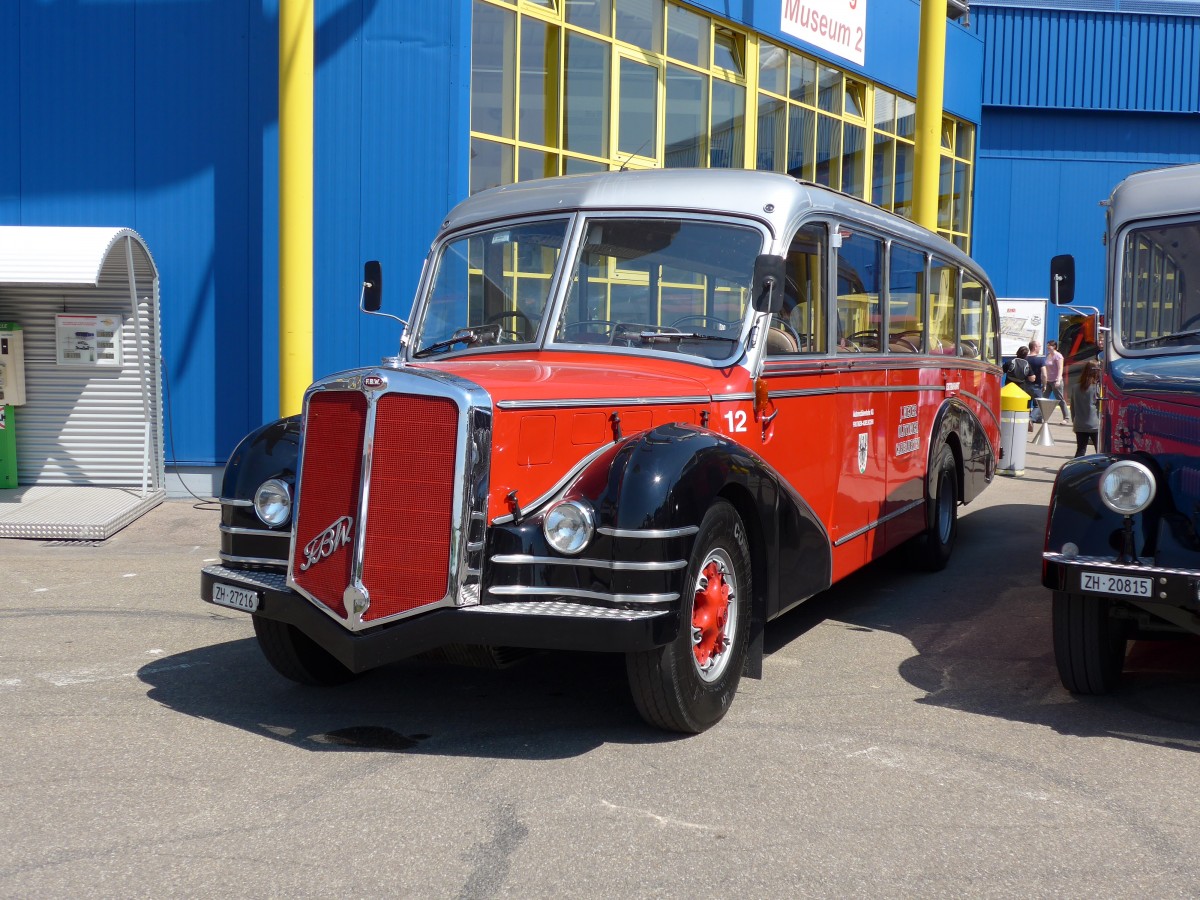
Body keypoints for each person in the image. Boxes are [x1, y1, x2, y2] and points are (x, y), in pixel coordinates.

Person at [1004, 345, 1042, 425]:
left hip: (1008, 388)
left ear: (1017, 352)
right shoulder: (1027, 364)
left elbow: (1001, 372)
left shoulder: (1010, 362)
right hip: (1021, 389)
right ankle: (1024, 421)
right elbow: (1032, 378)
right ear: (1026, 355)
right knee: (1023, 405)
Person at [1071, 359, 1101, 457]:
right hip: (1094, 424)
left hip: (1079, 423)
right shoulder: (1097, 388)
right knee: (1100, 450)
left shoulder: (1075, 387)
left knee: (1080, 450)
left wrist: (1074, 421)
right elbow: (1101, 406)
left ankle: (1076, 470)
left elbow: (1072, 407)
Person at [1042, 339, 1070, 422]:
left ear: (1054, 346)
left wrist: (1058, 380)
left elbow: (1060, 368)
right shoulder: (1048, 355)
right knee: (1044, 399)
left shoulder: (1058, 356)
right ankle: (1041, 416)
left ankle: (1066, 417)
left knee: (1060, 399)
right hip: (1048, 381)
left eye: (1049, 345)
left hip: (1056, 381)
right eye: (1047, 345)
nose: (1047, 347)